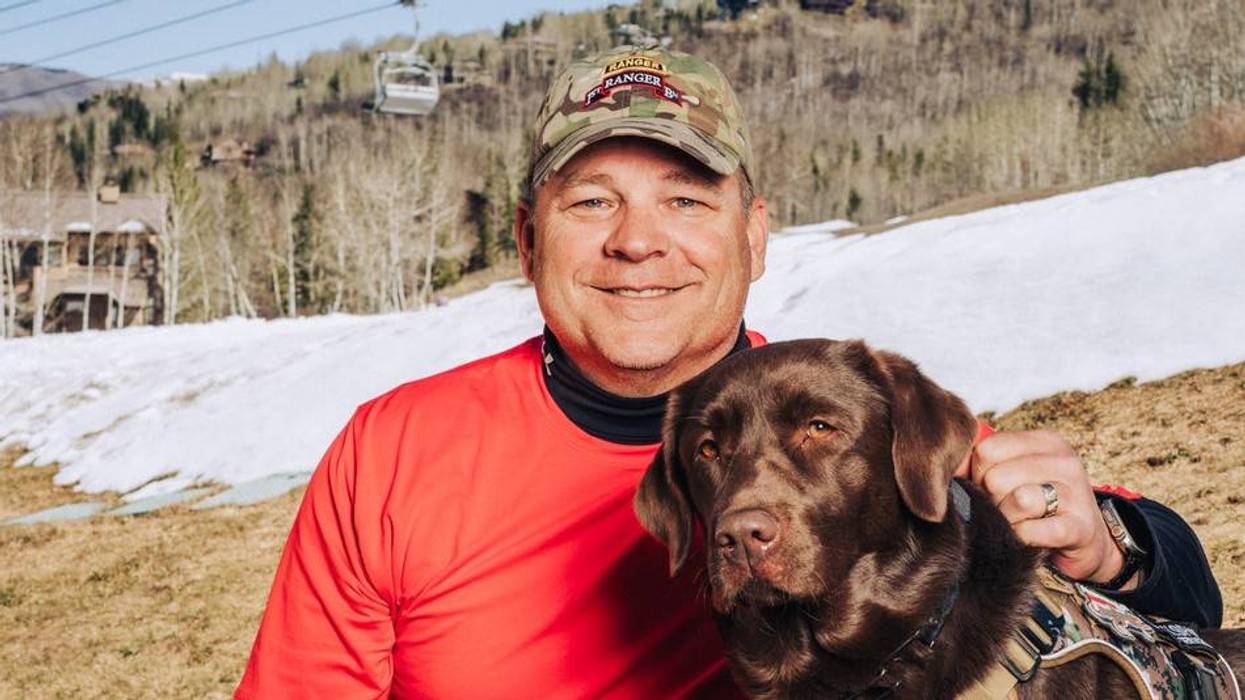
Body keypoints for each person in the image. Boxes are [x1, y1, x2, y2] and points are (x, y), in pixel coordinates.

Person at [235, 45, 1221, 698]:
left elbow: (1180, 610)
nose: (638, 243)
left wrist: (1113, 541)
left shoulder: (853, 418)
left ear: (754, 236)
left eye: (686, 201)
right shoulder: (396, 452)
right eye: (591, 203)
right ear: (529, 241)